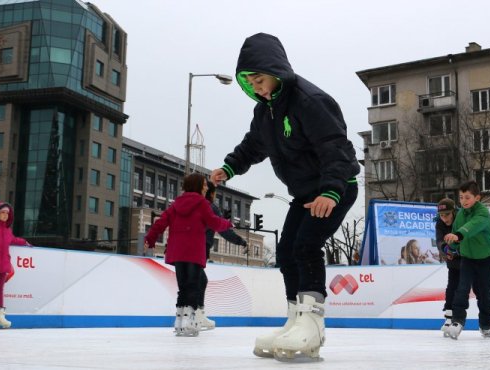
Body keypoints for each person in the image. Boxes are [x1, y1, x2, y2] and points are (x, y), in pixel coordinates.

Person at [210, 32, 360, 361]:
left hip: (336, 186)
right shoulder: (266, 111)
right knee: (286, 253)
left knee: (306, 246)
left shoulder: (310, 101)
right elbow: (253, 145)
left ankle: (313, 324)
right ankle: (295, 320)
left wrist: (331, 191)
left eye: (261, 80)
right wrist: (229, 168)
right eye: (251, 84)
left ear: (276, 71)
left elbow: (335, 147)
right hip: (304, 192)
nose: (258, 89)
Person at [144, 173, 233, 337]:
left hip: (177, 251)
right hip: (193, 251)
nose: (207, 187)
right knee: (192, 286)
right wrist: (228, 223)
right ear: (198, 186)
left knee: (183, 287)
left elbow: (161, 222)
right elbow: (213, 222)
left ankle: (179, 321)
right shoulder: (202, 204)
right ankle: (189, 321)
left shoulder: (176, 204)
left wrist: (150, 238)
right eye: (205, 185)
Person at [443, 180, 490, 340]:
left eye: (467, 197)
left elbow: (472, 226)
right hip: (468, 260)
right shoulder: (460, 215)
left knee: (486, 294)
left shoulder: (483, 213)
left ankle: (486, 326)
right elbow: (456, 235)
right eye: (461, 197)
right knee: (461, 289)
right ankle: (457, 321)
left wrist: (458, 235)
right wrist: (451, 248)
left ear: (477, 198)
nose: (463, 201)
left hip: (486, 260)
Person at [197, 181, 248, 331]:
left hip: (185, 246)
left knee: (193, 281)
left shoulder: (188, 204)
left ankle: (190, 315)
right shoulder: (210, 207)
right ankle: (196, 316)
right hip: (200, 247)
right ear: (211, 193)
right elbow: (223, 230)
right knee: (199, 280)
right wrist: (241, 241)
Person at [434, 198, 460, 336]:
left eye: (447, 215)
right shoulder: (439, 223)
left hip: (469, 259)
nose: (444, 219)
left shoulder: (461, 218)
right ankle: (449, 317)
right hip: (453, 260)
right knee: (452, 287)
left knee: (472, 289)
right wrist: (445, 249)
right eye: (442, 215)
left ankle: (485, 323)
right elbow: (439, 240)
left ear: (454, 212)